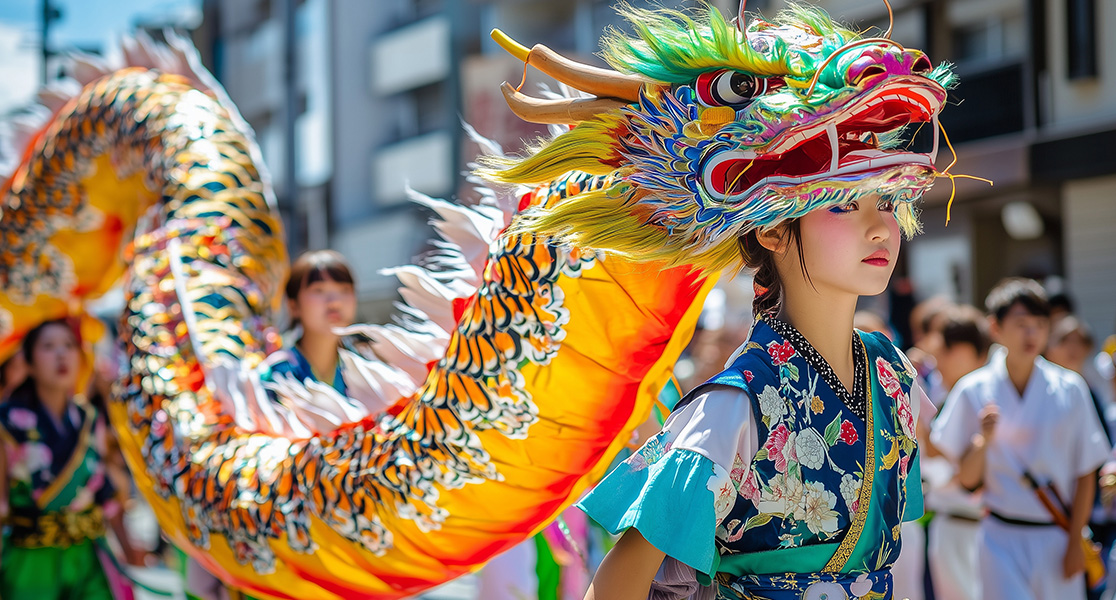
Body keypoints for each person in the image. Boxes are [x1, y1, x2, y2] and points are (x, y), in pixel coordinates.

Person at [577, 192, 927, 598]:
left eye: (886, 202)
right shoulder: (733, 405)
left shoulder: (893, 373)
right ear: (773, 230)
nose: (881, 228)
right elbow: (619, 582)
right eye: (844, 205)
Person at [931, 278, 1111, 600]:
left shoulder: (1070, 388)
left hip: (1057, 532)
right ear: (995, 327)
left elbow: (1086, 471)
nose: (1031, 334)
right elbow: (966, 479)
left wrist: (1074, 543)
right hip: (999, 534)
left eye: (1040, 324)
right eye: (1021, 324)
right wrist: (983, 440)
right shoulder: (973, 389)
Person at [0, 319, 144, 599]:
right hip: (31, 562)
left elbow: (105, 494)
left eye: (68, 346)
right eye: (49, 347)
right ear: (28, 362)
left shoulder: (89, 419)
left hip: (87, 555)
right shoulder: (7, 423)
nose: (61, 355)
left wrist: (128, 549)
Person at [922, 304, 991, 600]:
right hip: (952, 523)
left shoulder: (988, 392)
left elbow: (939, 456)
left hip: (987, 525)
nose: (938, 362)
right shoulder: (944, 391)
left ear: (964, 351)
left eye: (944, 352)